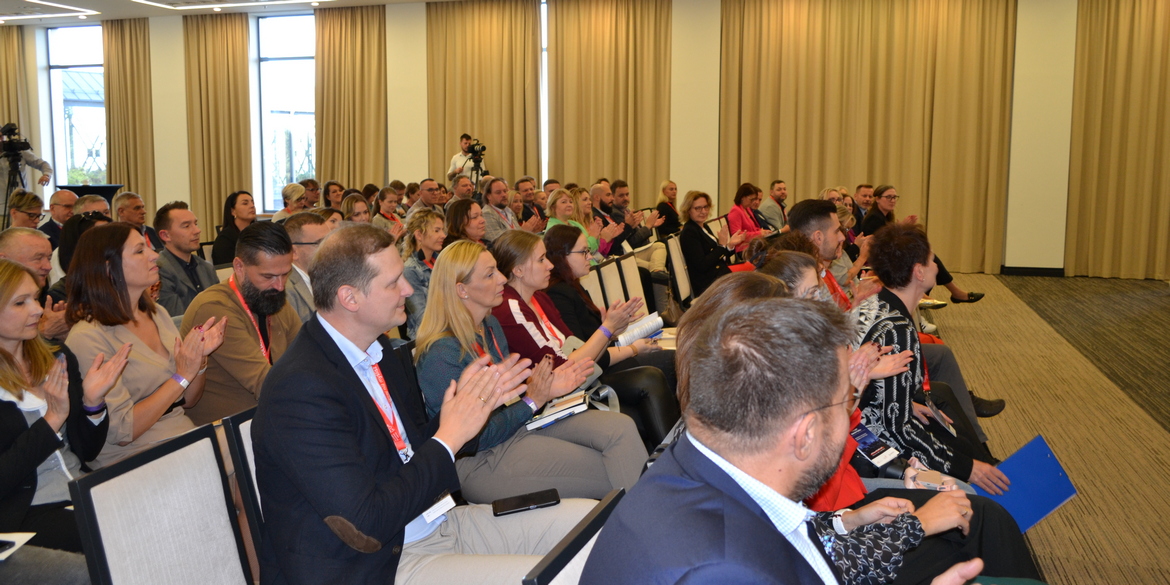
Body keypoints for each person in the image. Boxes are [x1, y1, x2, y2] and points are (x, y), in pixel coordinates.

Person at [252, 223, 595, 585]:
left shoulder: (380, 350)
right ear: (350, 298)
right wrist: (449, 436)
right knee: (566, 574)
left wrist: (468, 409)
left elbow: (411, 447)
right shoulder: (301, 388)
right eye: (392, 283)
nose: (407, 289)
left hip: (435, 522)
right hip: (379, 562)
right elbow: (367, 523)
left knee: (590, 524)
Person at [414, 240, 643, 502]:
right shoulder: (441, 354)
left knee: (621, 429)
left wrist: (546, 389)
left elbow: (509, 401)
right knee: (610, 467)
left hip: (517, 427)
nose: (502, 278)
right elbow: (472, 438)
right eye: (490, 274)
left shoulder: (489, 325)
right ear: (461, 290)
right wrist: (533, 400)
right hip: (479, 460)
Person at [491, 230, 677, 448]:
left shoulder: (540, 298)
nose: (550, 265)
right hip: (551, 402)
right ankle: (674, 455)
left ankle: (673, 451)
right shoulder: (510, 309)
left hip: (578, 383)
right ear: (518, 270)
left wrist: (610, 333)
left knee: (650, 382)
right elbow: (562, 367)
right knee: (648, 383)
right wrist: (607, 330)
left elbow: (574, 349)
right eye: (541, 260)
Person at [858, 224, 1007, 495]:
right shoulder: (898, 331)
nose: (937, 267)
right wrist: (967, 469)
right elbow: (898, 431)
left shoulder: (874, 304)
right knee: (966, 489)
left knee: (954, 436)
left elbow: (876, 395)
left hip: (861, 427)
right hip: (871, 449)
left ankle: (985, 464)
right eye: (932, 260)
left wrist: (904, 404)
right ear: (919, 272)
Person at [64, 223, 227, 468]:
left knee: (250, 443)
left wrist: (198, 361)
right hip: (132, 455)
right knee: (242, 453)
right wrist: (182, 376)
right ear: (109, 269)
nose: (154, 256)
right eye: (140, 251)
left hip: (179, 434)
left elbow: (188, 400)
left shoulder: (157, 314)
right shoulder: (88, 337)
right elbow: (122, 432)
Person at [0, 260, 130, 552]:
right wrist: (52, 421)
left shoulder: (56, 356)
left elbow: (86, 451)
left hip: (80, 488)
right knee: (119, 536)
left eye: (35, 298)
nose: (37, 310)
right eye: (20, 303)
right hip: (25, 510)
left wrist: (93, 404)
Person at [180, 222, 301, 426]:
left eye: (285, 274)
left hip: (272, 415)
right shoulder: (214, 309)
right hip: (230, 427)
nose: (280, 286)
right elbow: (265, 384)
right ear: (239, 267)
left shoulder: (272, 298)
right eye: (268, 276)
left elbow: (308, 357)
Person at [543, 224, 677, 387]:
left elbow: (595, 340)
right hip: (597, 375)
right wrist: (632, 347)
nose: (590, 257)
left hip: (606, 361)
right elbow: (582, 356)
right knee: (671, 360)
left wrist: (613, 329)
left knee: (673, 355)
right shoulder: (558, 294)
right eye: (584, 252)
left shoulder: (571, 286)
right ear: (562, 255)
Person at [857, 185, 982, 304]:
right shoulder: (874, 218)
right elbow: (882, 244)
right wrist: (901, 228)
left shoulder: (885, 216)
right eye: (888, 197)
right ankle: (949, 292)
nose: (892, 200)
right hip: (878, 259)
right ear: (878, 199)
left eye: (894, 197)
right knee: (924, 257)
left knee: (926, 255)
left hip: (888, 255)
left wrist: (902, 228)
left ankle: (944, 292)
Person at [154, 201, 218, 317]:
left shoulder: (206, 267)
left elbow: (221, 307)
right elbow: (177, 320)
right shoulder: (158, 271)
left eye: (195, 224)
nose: (197, 230)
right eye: (187, 226)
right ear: (165, 235)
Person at [678, 190, 744, 296]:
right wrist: (721, 246)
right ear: (688, 210)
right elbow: (702, 265)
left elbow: (717, 256)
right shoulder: (689, 232)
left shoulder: (703, 226)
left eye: (706, 207)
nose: (703, 211)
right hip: (708, 284)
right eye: (698, 208)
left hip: (719, 275)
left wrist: (730, 246)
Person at [401, 210, 445, 339]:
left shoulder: (443, 261)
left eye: (442, 230)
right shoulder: (410, 270)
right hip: (428, 338)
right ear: (419, 235)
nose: (443, 235)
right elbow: (422, 318)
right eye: (437, 231)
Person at [284, 212, 331, 323]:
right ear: (294, 252)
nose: (329, 249)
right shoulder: (285, 290)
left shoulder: (328, 277)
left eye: (329, 241)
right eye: (319, 243)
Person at [211, 190, 257, 265]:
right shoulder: (225, 239)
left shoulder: (259, 233)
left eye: (253, 203)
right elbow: (227, 267)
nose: (252, 206)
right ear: (233, 211)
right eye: (245, 203)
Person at [727, 182, 771, 253]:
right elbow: (737, 235)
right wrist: (759, 234)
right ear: (743, 197)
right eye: (751, 199)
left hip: (752, 245)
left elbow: (752, 228)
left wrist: (764, 232)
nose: (753, 202)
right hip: (743, 249)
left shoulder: (747, 209)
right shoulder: (735, 211)